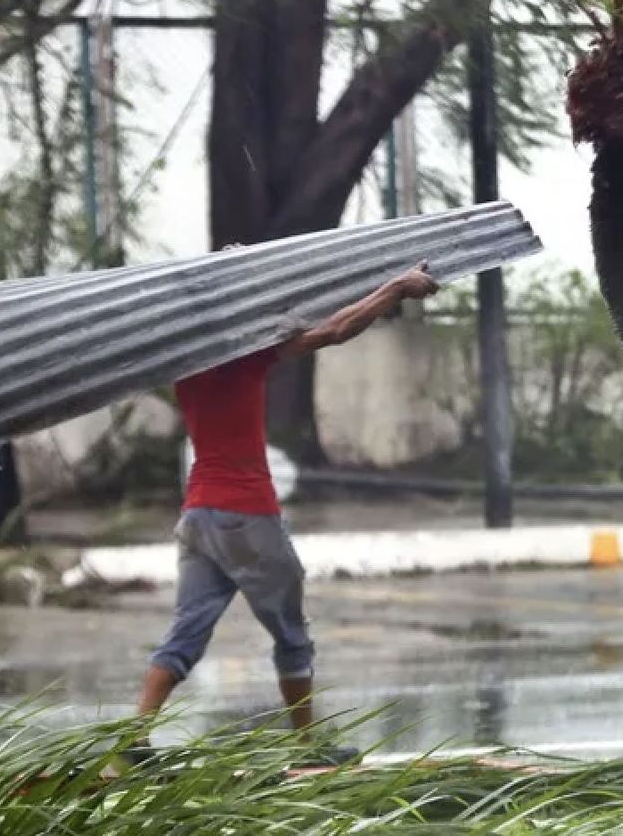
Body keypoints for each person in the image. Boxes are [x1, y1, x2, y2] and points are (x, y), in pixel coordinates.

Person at [132, 258, 439, 762]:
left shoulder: (183, 365)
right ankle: (307, 748)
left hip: (198, 517)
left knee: (184, 637)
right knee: (292, 637)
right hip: (247, 515)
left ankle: (130, 743)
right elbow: (339, 328)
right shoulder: (243, 354)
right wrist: (396, 288)